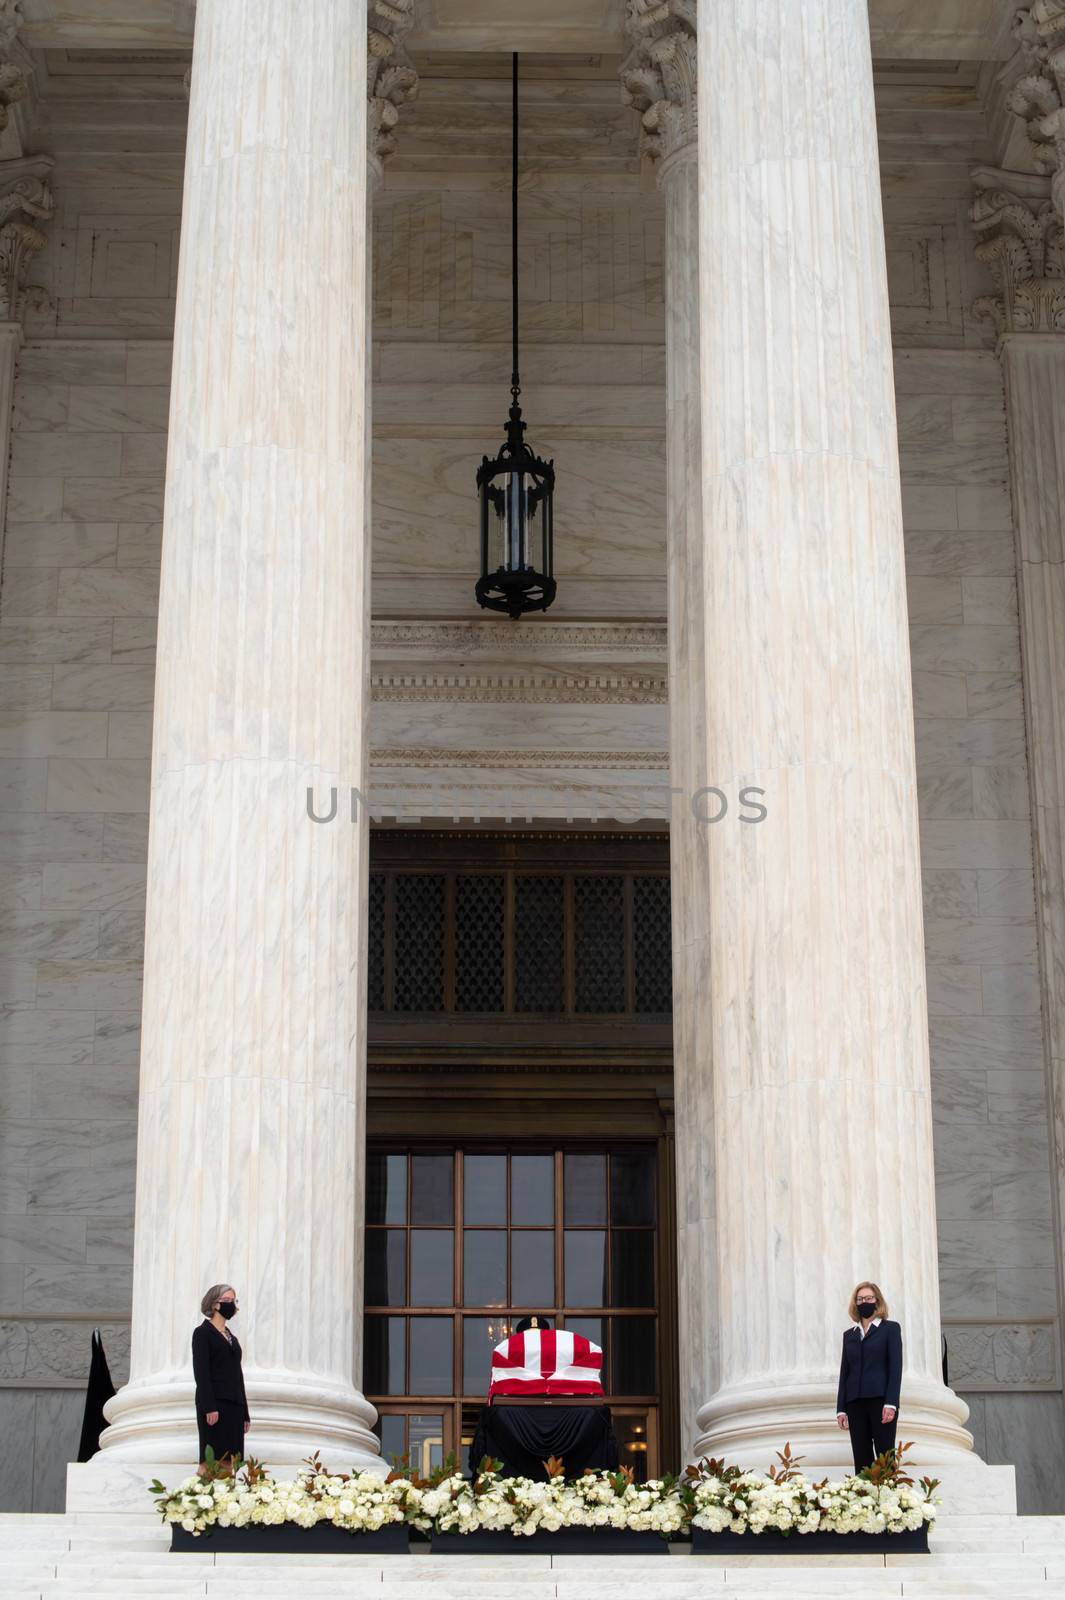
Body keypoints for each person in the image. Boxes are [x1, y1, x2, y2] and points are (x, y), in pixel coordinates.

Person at [836, 1280, 902, 1472]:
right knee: (861, 1458)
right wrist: (841, 1408)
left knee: (884, 1457)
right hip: (854, 1403)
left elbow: (895, 1367)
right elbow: (844, 1372)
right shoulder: (849, 1335)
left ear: (877, 1301)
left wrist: (891, 1402)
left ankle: (889, 1498)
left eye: (868, 1298)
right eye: (860, 1299)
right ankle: (864, 1498)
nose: (864, 1302)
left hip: (881, 1401)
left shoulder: (890, 1329)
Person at [192, 1283, 250, 1471]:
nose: (231, 1305)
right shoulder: (202, 1333)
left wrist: (245, 1413)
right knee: (211, 1460)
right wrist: (209, 1406)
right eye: (226, 1300)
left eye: (234, 1301)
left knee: (229, 1461)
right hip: (214, 1405)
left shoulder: (232, 1337)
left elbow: (237, 1374)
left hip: (234, 1405)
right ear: (214, 1304)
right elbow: (201, 1372)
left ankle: (224, 1497)